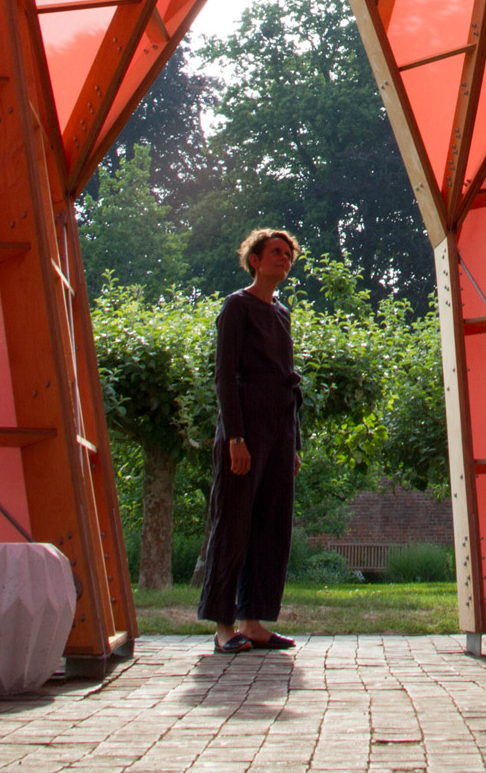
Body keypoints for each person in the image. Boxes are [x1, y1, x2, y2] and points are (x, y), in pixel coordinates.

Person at [199, 228, 303, 652]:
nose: (284, 258)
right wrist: (235, 437)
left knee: (271, 526)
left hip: (280, 431)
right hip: (245, 429)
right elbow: (225, 376)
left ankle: (254, 621)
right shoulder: (236, 307)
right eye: (275, 252)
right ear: (255, 260)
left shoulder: (282, 313)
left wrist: (293, 445)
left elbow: (287, 382)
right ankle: (224, 628)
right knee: (234, 523)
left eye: (288, 253)